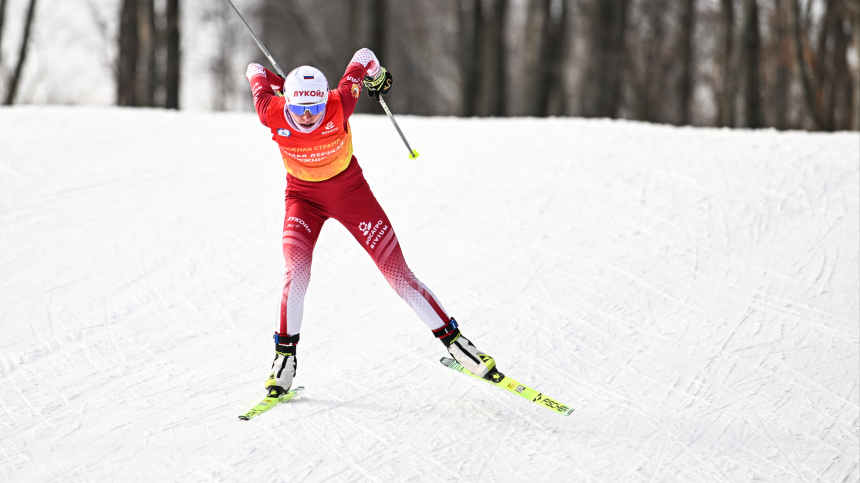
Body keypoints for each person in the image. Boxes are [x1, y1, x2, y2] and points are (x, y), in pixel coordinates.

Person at [245, 48, 499, 396]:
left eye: (314, 108)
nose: (306, 116)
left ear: (325, 102)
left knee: (397, 273)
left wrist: (377, 77)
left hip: (351, 195)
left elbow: (363, 55)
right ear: (285, 103)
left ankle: (458, 344)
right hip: (303, 200)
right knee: (296, 272)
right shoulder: (269, 110)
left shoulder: (340, 101)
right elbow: (253, 68)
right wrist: (277, 83)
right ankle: (284, 359)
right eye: (299, 108)